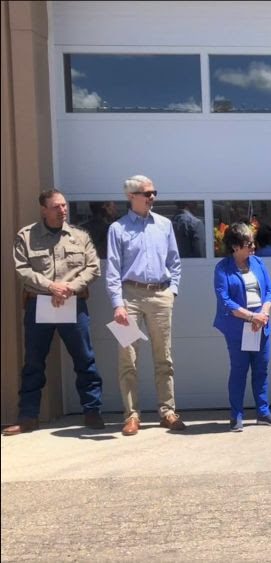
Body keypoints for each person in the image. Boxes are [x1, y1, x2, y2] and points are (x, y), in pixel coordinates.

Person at [5, 189, 104, 435]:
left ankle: (92, 411)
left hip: (73, 303)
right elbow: (23, 269)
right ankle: (28, 417)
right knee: (33, 363)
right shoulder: (26, 236)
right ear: (44, 209)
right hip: (39, 304)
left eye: (64, 205)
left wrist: (68, 288)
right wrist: (51, 286)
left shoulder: (80, 236)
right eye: (57, 206)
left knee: (85, 359)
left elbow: (93, 268)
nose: (63, 210)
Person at [106, 174, 184, 436]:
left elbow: (174, 260)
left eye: (154, 193)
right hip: (129, 298)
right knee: (127, 357)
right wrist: (117, 304)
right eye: (147, 193)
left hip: (160, 296)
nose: (152, 197)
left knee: (164, 357)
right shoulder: (117, 229)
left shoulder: (164, 224)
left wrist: (172, 291)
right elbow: (113, 270)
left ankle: (168, 411)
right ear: (131, 196)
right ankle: (131, 415)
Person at [213, 222, 271, 432]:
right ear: (235, 246)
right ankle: (236, 416)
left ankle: (263, 412)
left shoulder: (259, 263)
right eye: (248, 244)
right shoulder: (222, 268)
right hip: (238, 327)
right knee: (239, 371)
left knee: (261, 370)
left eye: (252, 243)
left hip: (261, 324)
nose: (253, 247)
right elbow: (225, 301)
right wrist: (252, 317)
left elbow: (270, 291)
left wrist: (264, 314)